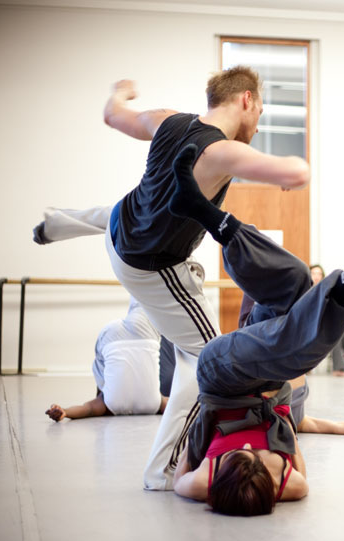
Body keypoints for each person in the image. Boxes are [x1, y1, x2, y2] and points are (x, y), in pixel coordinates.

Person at [167, 144, 344, 514]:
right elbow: (298, 451)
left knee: (294, 352)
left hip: (221, 377)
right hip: (266, 380)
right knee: (295, 283)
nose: (246, 449)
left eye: (234, 459)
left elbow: (179, 476)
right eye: (257, 460)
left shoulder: (200, 483)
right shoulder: (288, 484)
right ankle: (201, 211)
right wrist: (288, 419)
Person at [102, 68, 310, 490]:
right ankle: (162, 472)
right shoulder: (221, 150)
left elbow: (113, 114)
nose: (259, 121)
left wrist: (121, 91)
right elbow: (298, 172)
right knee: (208, 364)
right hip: (151, 266)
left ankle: (58, 222)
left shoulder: (168, 119)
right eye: (261, 111)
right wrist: (282, 174)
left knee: (128, 206)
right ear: (246, 100)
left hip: (118, 230)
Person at [45, 299, 175, 421]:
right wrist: (65, 411)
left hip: (147, 336)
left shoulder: (154, 404)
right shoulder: (110, 404)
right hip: (111, 336)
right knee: (102, 361)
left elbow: (87, 409)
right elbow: (88, 409)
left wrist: (66, 411)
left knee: (141, 303)